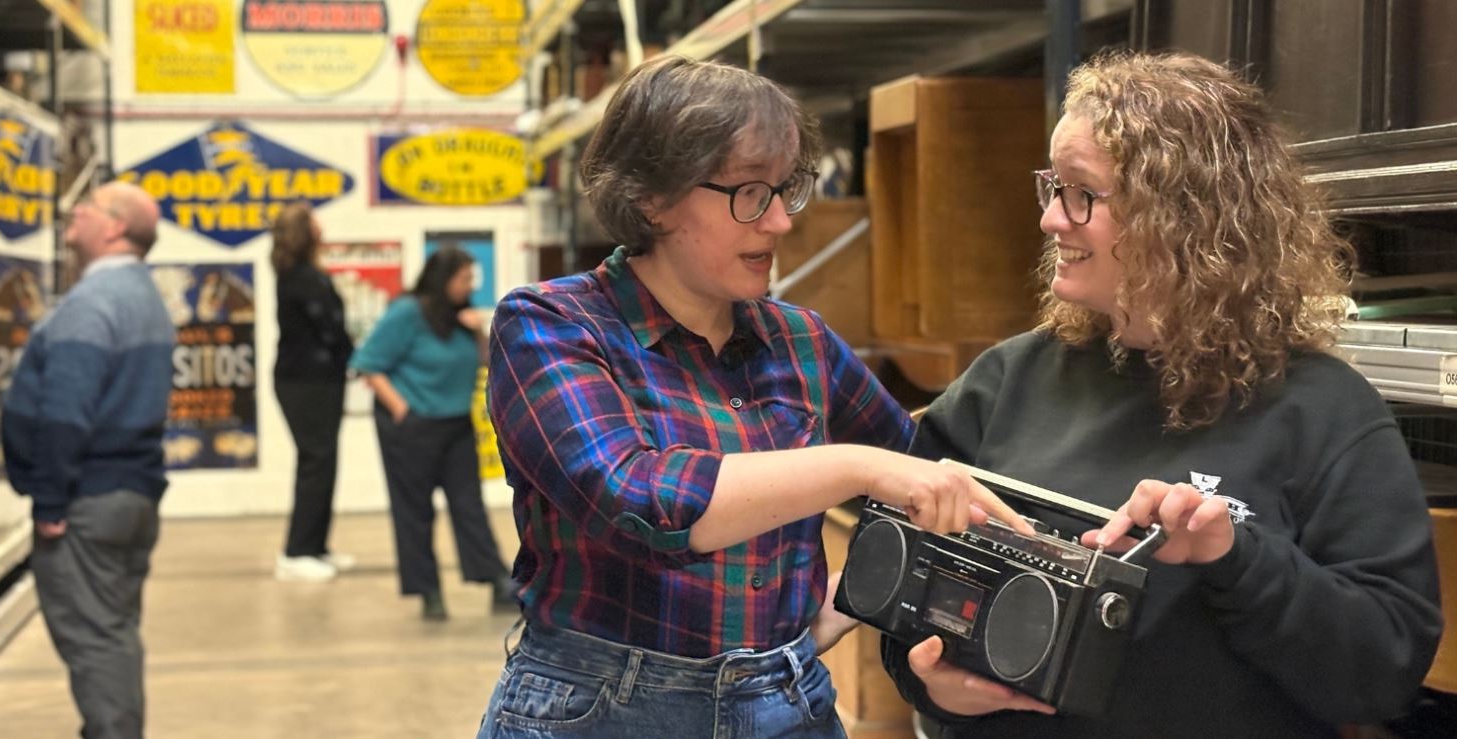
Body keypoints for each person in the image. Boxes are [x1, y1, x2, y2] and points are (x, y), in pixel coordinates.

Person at [883, 51, 1445, 738]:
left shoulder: (1325, 412)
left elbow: (1380, 670)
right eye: (1052, 187)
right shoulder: (1003, 384)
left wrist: (1232, 554)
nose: (1052, 220)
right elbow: (908, 605)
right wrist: (933, 683)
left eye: (1081, 192)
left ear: (1180, 216)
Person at [475, 55, 1031, 739]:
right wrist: (855, 467)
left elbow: (922, 478)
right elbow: (638, 499)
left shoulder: (801, 340)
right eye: (748, 193)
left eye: (784, 190)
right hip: (600, 709)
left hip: (787, 704)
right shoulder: (551, 325)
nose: (779, 224)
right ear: (651, 195)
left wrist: (853, 599)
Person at [1, 181, 175, 739]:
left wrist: (51, 498)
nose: (75, 210)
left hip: (87, 498)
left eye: (91, 206)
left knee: (96, 640)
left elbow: (66, 411)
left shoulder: (94, 302)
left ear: (115, 227)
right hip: (130, 492)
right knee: (114, 631)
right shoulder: (143, 298)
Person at [350, 245, 513, 621]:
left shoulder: (459, 317)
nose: (469, 285)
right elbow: (368, 364)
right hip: (413, 427)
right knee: (415, 512)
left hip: (455, 424)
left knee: (468, 505)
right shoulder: (407, 312)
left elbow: (489, 361)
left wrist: (478, 332)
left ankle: (495, 579)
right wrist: (402, 410)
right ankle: (429, 592)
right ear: (443, 279)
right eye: (464, 279)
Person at [269, 202, 355, 582]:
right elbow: (330, 326)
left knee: (324, 460)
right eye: (315, 224)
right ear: (304, 233)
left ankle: (316, 546)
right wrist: (348, 352)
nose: (323, 229)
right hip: (304, 380)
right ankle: (296, 551)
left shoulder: (306, 274)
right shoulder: (299, 276)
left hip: (319, 377)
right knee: (315, 460)